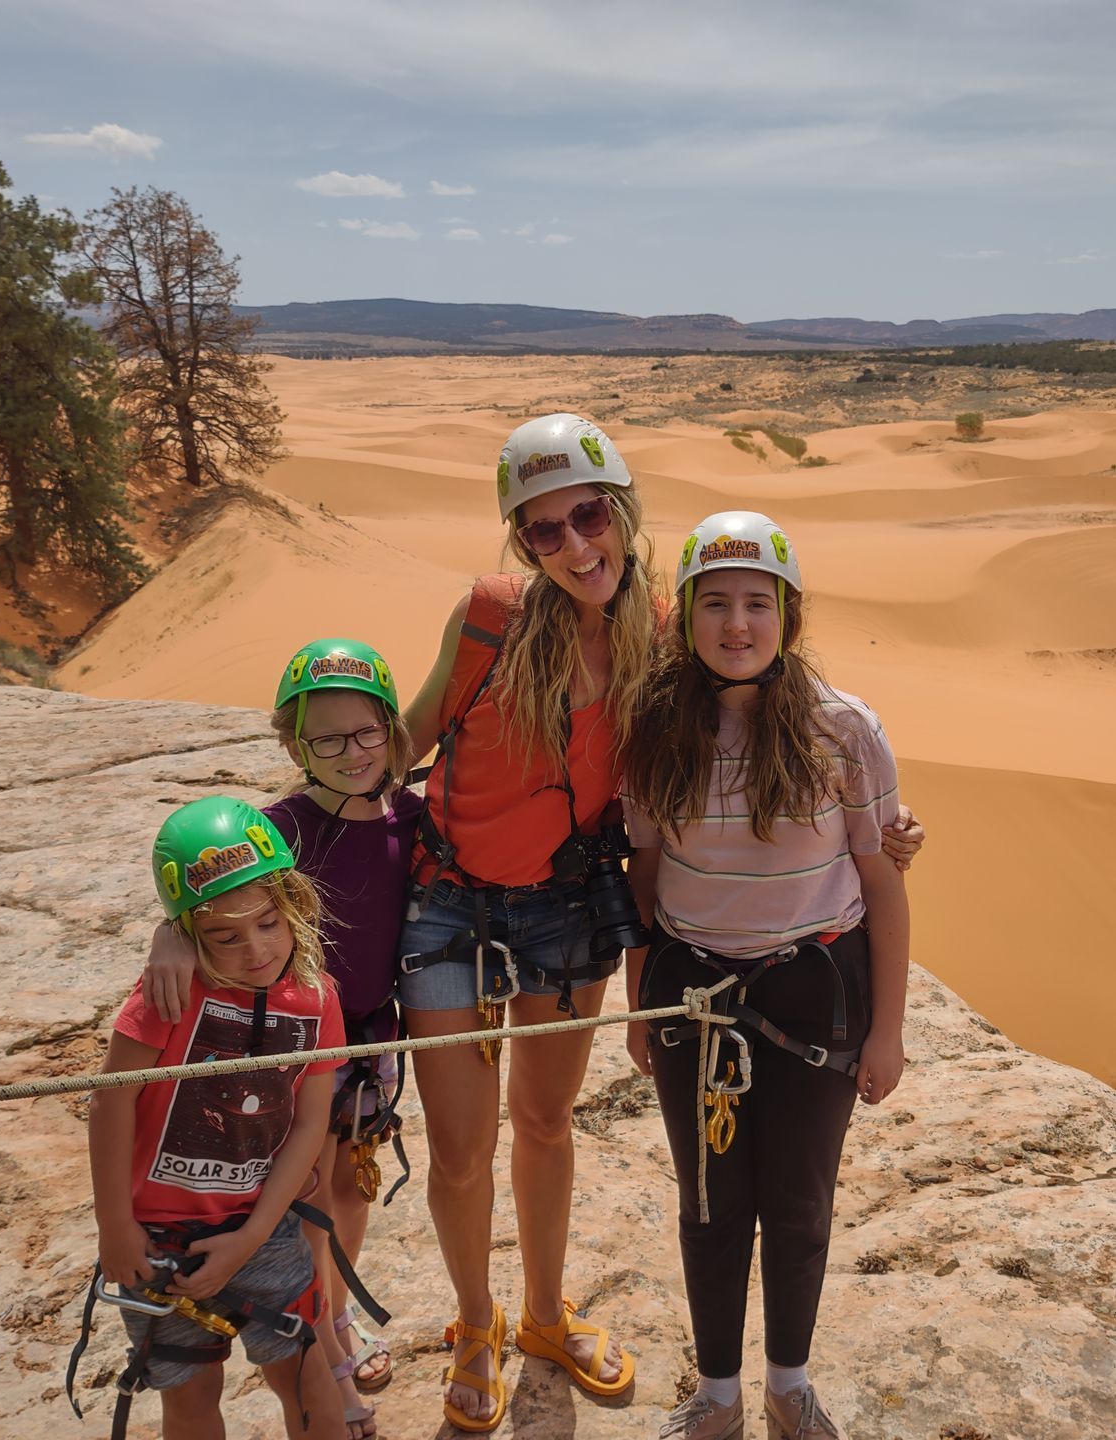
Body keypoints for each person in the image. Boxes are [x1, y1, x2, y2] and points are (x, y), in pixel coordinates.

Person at [399, 416, 923, 1433]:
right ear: (521, 545)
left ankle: (551, 1319)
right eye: (543, 531)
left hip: (566, 909)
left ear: (624, 510)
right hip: (457, 899)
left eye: (589, 515)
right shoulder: (493, 616)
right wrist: (288, 850)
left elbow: (786, 775)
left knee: (547, 1122)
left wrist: (886, 829)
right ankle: (477, 1324)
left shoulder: (664, 628)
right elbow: (408, 745)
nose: (575, 545)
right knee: (464, 1150)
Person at [621, 511, 910, 1440]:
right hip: (691, 993)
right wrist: (639, 1007)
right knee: (708, 1204)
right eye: (714, 603)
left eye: (756, 603)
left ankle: (788, 1385)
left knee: (798, 1201)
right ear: (684, 618)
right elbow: (643, 877)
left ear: (787, 614)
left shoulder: (843, 727)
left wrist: (887, 1028)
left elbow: (880, 881)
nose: (735, 624)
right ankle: (717, 1398)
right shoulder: (653, 727)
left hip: (813, 989)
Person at [147, 640, 420, 1440]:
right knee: (306, 1195)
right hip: (296, 1049)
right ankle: (327, 1345)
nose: (350, 753)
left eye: (366, 733)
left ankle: (336, 1310)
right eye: (325, 740)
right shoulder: (276, 827)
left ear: (391, 733)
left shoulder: (412, 816)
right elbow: (209, 893)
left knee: (351, 1190)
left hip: (372, 1039)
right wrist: (169, 933)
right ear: (293, 747)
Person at [88, 796, 346, 1440]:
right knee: (191, 1393)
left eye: (268, 923)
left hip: (262, 1227)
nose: (255, 949)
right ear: (189, 936)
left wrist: (253, 1237)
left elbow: (311, 1125)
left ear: (294, 908)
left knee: (307, 1374)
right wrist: (115, 1226)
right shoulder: (167, 995)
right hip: (156, 1239)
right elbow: (110, 1099)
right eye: (225, 936)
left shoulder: (316, 998)